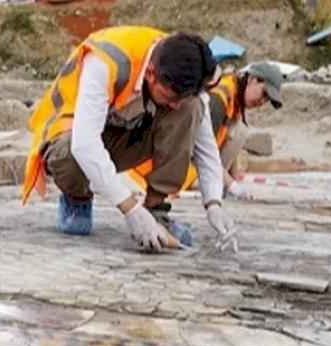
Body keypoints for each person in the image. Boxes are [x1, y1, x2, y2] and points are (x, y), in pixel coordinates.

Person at [21, 28, 239, 253]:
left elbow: (204, 146)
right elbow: (84, 144)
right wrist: (131, 210)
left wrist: (214, 203)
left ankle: (156, 209)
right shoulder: (106, 61)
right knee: (69, 151)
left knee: (190, 108)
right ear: (152, 73)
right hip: (69, 136)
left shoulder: (187, 69)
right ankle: (77, 199)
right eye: (170, 97)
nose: (174, 105)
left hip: (124, 133)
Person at [177, 62, 286, 202]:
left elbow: (226, 136)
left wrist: (234, 179)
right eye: (264, 93)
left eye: (267, 100)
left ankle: (218, 181)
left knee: (240, 130)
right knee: (238, 132)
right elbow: (201, 153)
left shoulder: (236, 94)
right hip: (186, 168)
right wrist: (232, 186)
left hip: (205, 164)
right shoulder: (217, 100)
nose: (262, 102)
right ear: (252, 79)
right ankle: (211, 183)